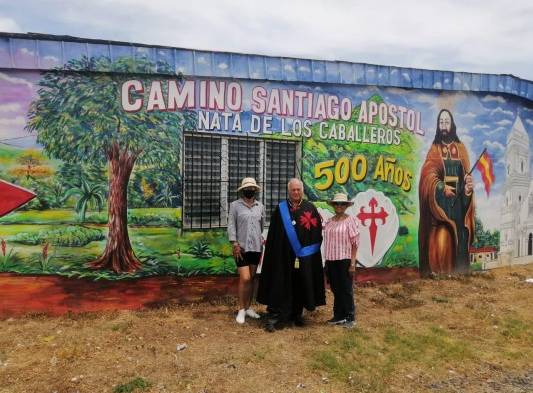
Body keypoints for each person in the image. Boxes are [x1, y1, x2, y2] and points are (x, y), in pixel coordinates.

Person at [257, 178, 325, 332]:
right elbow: (274, 235)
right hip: (283, 258)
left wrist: (308, 254)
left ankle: (297, 314)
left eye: (298, 189)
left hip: (303, 257)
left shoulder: (310, 208)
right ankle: (277, 316)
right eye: (293, 190)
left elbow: (316, 234)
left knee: (300, 284)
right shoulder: (280, 209)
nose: (296, 192)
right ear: (289, 191)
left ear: (302, 191)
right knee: (281, 284)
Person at [419, 109, 475, 276]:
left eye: (446, 122)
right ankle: (442, 272)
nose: (444, 125)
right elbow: (427, 176)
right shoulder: (434, 149)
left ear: (452, 124)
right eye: (441, 122)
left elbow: (466, 177)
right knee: (443, 236)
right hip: (441, 207)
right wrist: (441, 187)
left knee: (461, 234)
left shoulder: (461, 149)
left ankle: (461, 272)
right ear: (438, 125)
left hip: (458, 205)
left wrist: (467, 190)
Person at [228, 177, 265, 324]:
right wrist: (234, 243)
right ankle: (241, 309)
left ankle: (249, 307)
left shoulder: (260, 206)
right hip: (240, 248)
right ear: (243, 190)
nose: (250, 191)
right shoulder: (235, 206)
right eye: (247, 189)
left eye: (252, 189)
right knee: (245, 278)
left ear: (255, 190)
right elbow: (231, 225)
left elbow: (261, 226)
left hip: (256, 248)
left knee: (252, 278)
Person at [323, 193, 359, 328]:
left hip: (344, 260)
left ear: (346, 206)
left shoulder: (351, 221)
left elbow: (355, 243)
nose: (339, 206)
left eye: (342, 204)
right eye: (337, 203)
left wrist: (353, 263)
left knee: (346, 289)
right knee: (335, 288)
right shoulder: (329, 221)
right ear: (333, 205)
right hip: (331, 260)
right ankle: (339, 316)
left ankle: (350, 317)